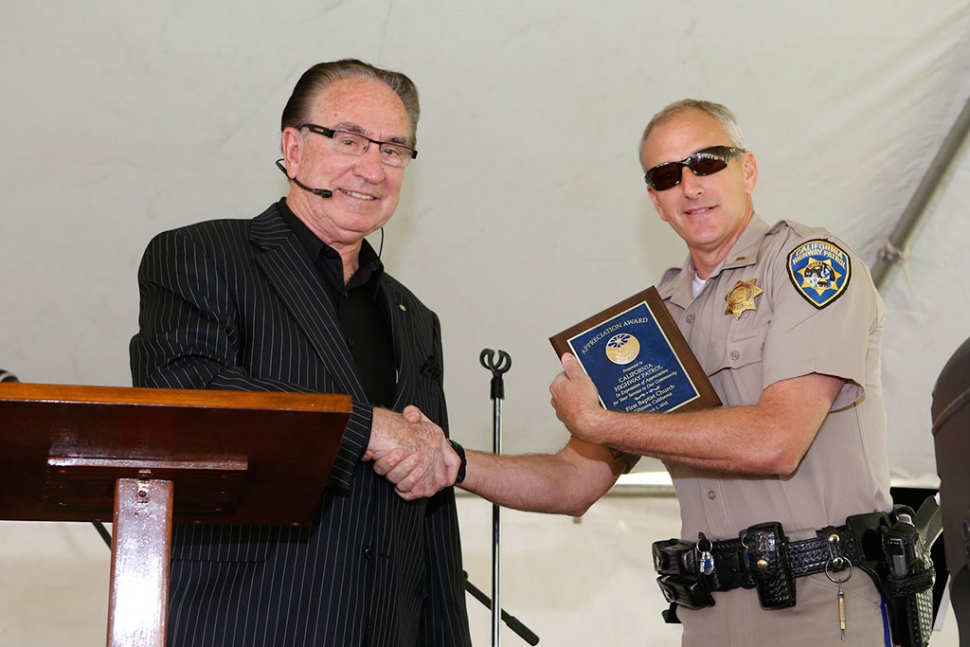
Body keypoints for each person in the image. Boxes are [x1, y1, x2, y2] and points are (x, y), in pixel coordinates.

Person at [377, 99, 893, 646]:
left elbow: (777, 440)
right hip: (711, 616)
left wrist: (603, 424)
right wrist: (453, 461)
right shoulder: (650, 324)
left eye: (708, 162)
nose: (689, 186)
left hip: (823, 604)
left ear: (748, 169)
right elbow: (573, 482)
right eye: (667, 175)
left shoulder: (807, 263)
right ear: (655, 201)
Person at [130, 59, 472, 647]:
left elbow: (430, 507)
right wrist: (367, 430)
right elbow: (185, 396)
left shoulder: (416, 318)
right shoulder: (201, 254)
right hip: (242, 625)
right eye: (348, 140)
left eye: (394, 149)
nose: (372, 168)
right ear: (293, 147)